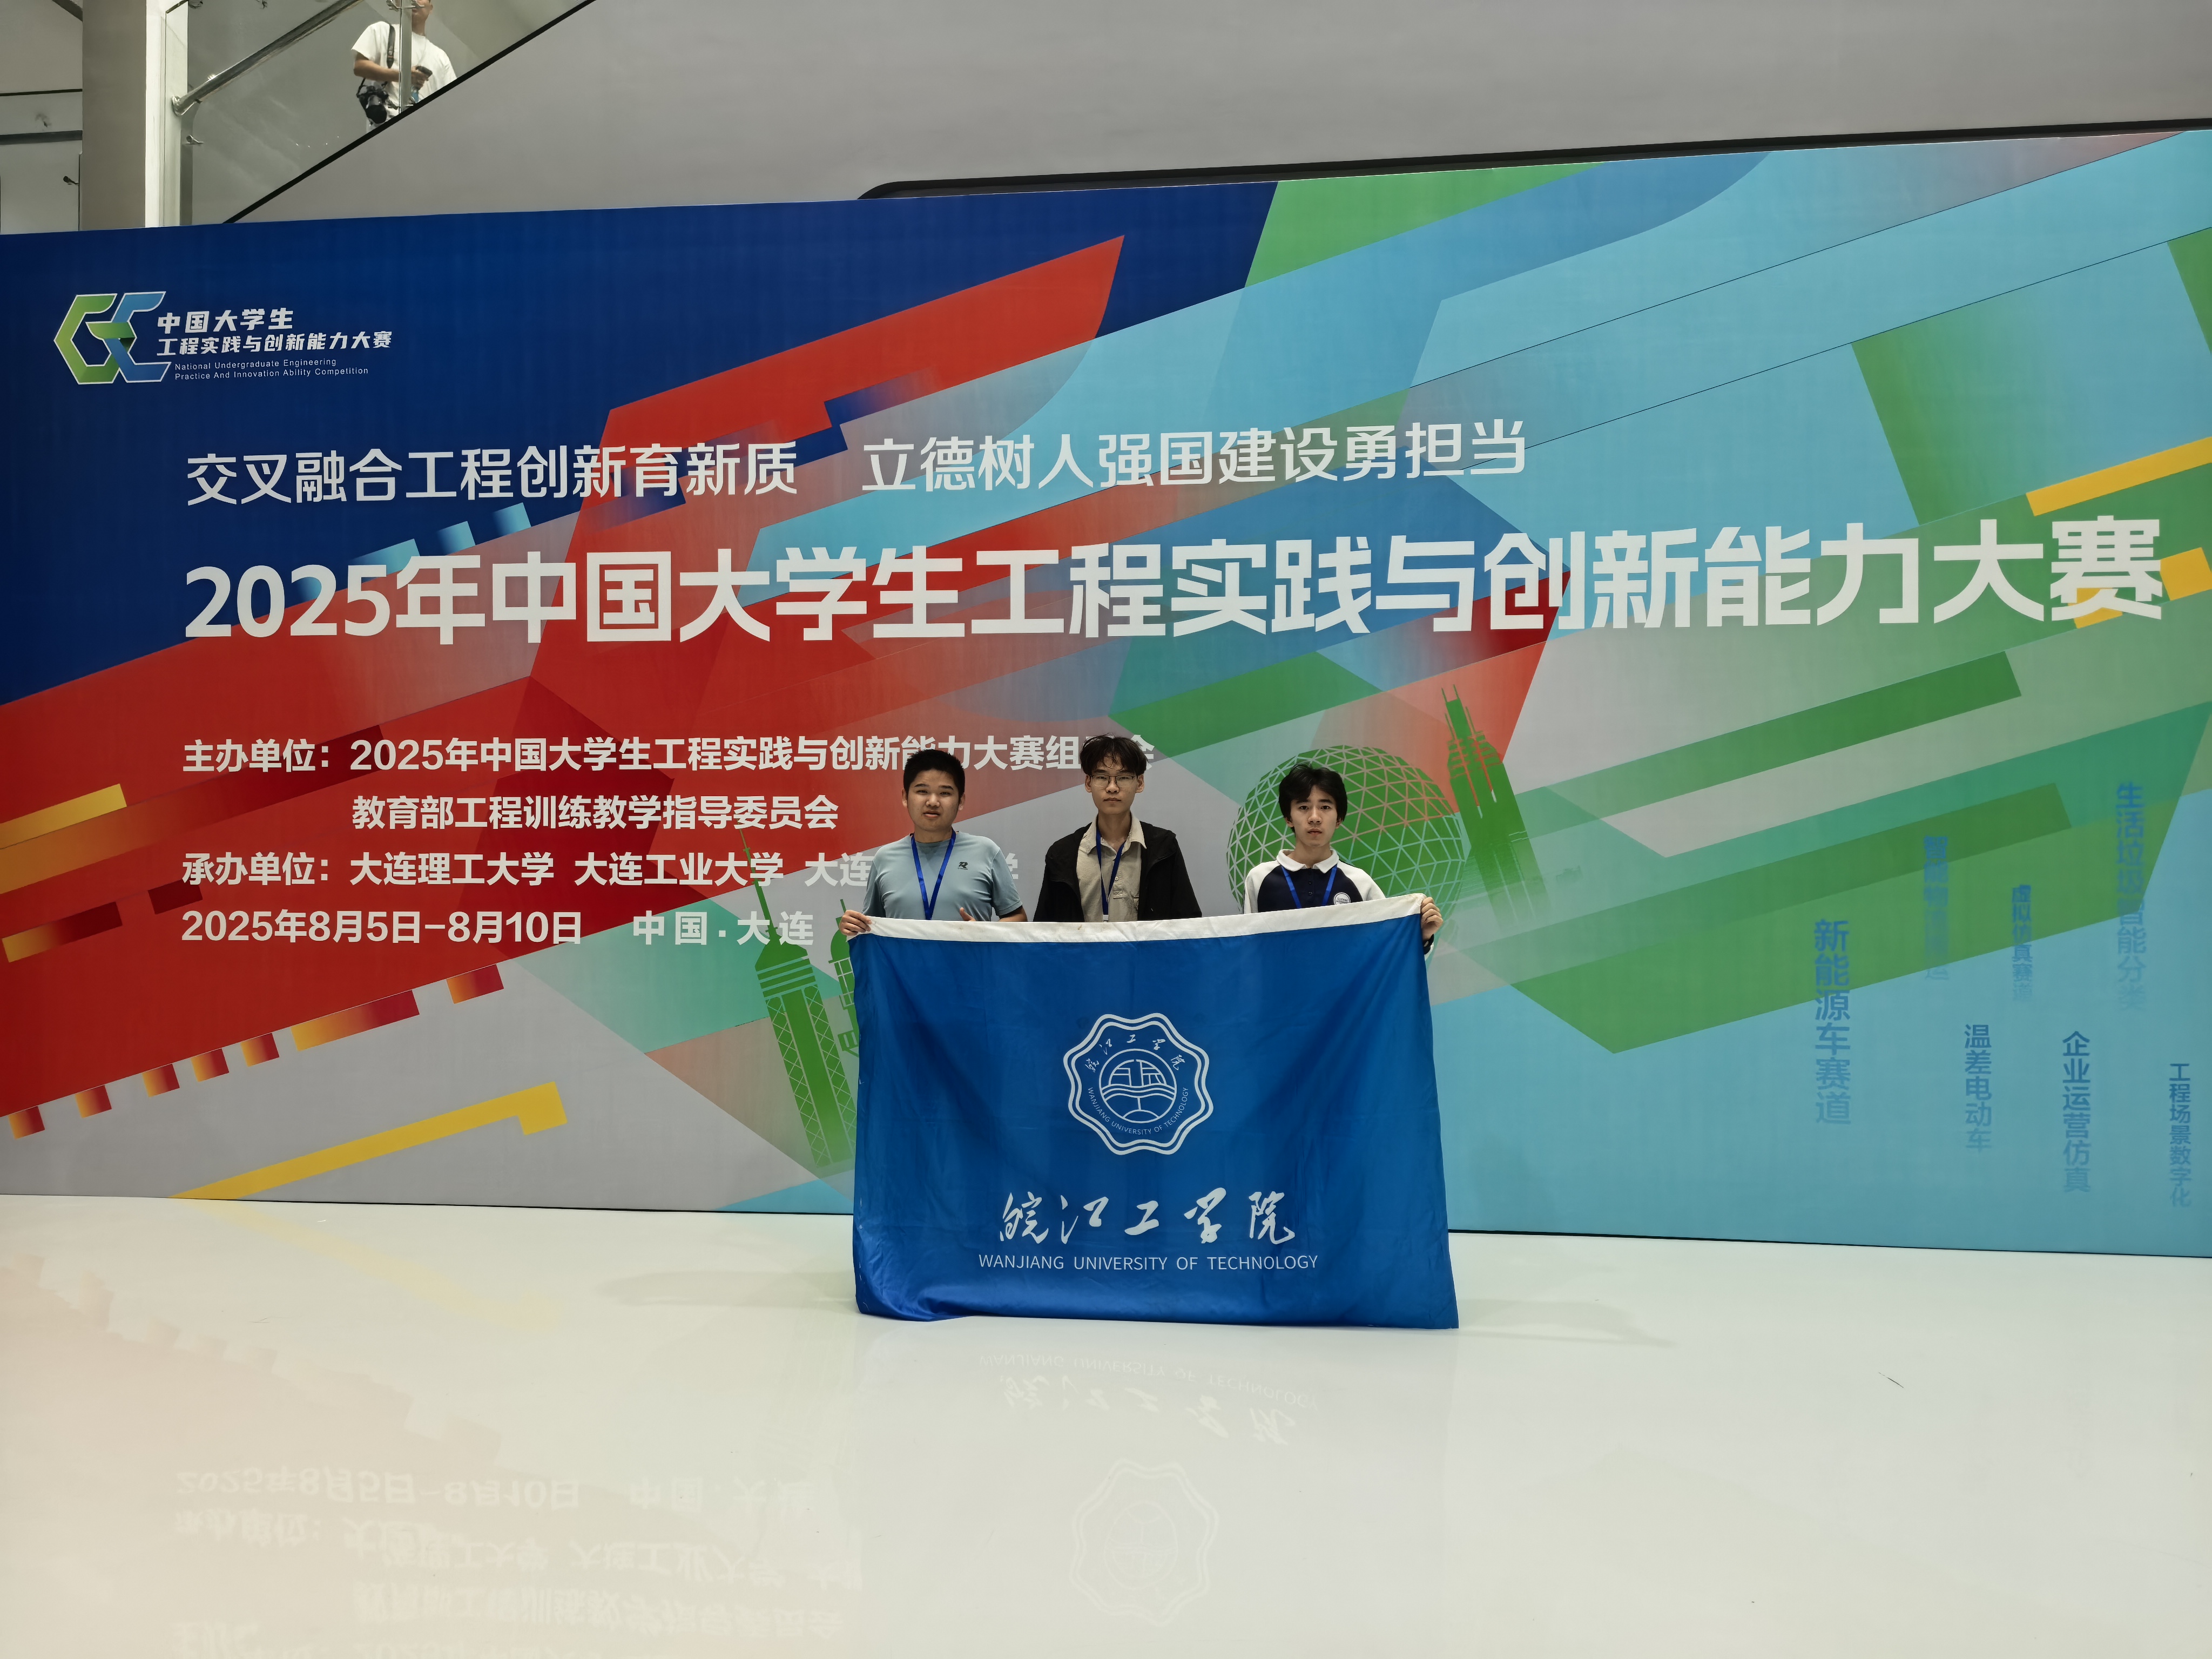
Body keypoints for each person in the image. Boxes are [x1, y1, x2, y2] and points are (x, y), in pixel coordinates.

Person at [1243, 762, 1442, 946]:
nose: (1315, 817)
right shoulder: (1260, 879)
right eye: (1303, 807)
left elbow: (1384, 952)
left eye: (1325, 807)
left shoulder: (1361, 883)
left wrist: (1423, 937)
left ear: (1339, 819)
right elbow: (1246, 949)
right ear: (1288, 818)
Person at [838, 748, 1026, 934]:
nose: (933, 802)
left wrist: (986, 932)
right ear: (905, 797)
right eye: (922, 791)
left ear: (961, 801)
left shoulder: (986, 852)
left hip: (972, 956)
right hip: (902, 957)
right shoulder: (885, 858)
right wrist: (852, 925)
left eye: (945, 793)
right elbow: (871, 927)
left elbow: (1019, 918)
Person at [1031, 734, 1203, 922]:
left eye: (1123, 777)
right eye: (1102, 777)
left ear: (1140, 783)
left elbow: (1189, 924)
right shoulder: (1062, 854)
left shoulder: (1164, 848)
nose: (1112, 788)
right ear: (1088, 783)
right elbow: (1044, 930)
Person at [352, 0, 455, 128]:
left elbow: (452, 102)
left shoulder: (441, 57)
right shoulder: (382, 31)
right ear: (399, 3)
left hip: (423, 130)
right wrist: (402, 76)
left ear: (431, 8)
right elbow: (360, 67)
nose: (415, 1)